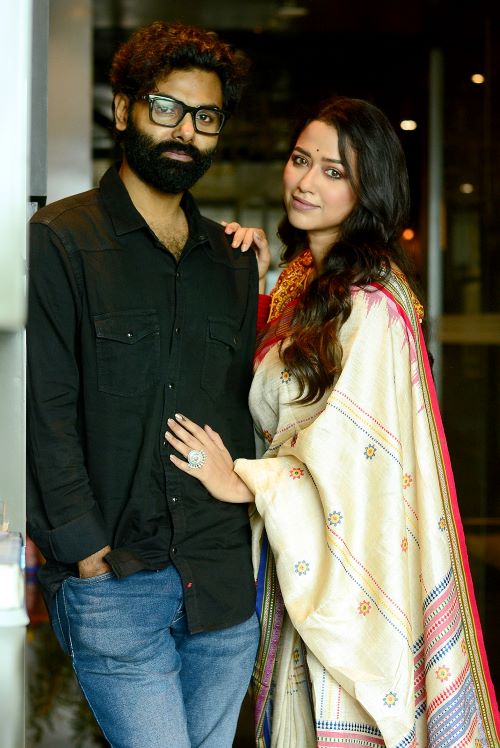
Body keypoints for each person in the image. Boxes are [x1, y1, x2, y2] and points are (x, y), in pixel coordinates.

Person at [166, 96, 500, 746]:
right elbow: (266, 387)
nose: (306, 181)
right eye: (301, 160)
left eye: (334, 171)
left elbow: (353, 460)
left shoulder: (370, 303)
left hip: (344, 570)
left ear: (367, 189)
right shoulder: (303, 282)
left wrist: (246, 480)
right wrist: (245, 284)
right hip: (295, 560)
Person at [26, 21, 270, 748]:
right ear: (123, 109)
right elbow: (45, 407)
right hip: (117, 582)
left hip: (222, 589)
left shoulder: (232, 260)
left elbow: (253, 403)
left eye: (206, 117)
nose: (185, 132)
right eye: (167, 108)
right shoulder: (63, 239)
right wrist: (85, 554)